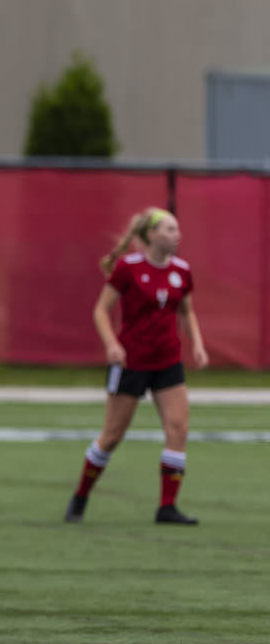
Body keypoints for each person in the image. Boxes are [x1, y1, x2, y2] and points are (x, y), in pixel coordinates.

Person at [66, 208, 209, 526]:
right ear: (150, 236)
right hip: (131, 362)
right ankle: (80, 496)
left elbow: (187, 312)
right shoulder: (128, 269)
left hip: (167, 361)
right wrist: (112, 345)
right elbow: (101, 310)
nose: (177, 235)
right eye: (170, 230)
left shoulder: (182, 271)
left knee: (178, 428)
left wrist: (197, 344)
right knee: (112, 436)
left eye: (178, 229)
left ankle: (167, 507)